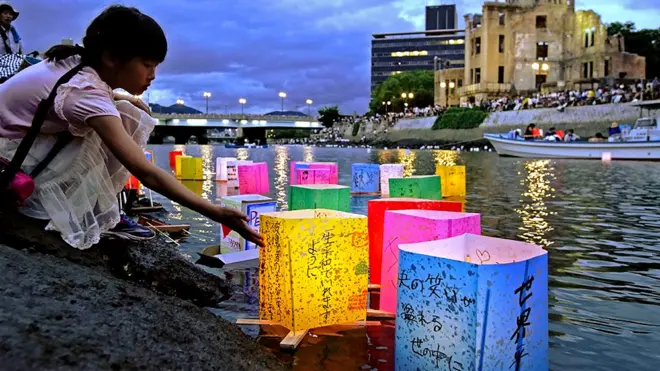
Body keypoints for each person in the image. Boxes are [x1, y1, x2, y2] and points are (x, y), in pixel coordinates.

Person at [0, 5, 262, 250]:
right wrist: (216, 212)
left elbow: (68, 96)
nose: (153, 75)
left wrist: (121, 96)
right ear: (111, 57)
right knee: (126, 118)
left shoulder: (74, 65)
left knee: (125, 109)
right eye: (147, 65)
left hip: (14, 147)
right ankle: (92, 212)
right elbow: (145, 172)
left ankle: (96, 208)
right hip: (7, 163)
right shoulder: (85, 93)